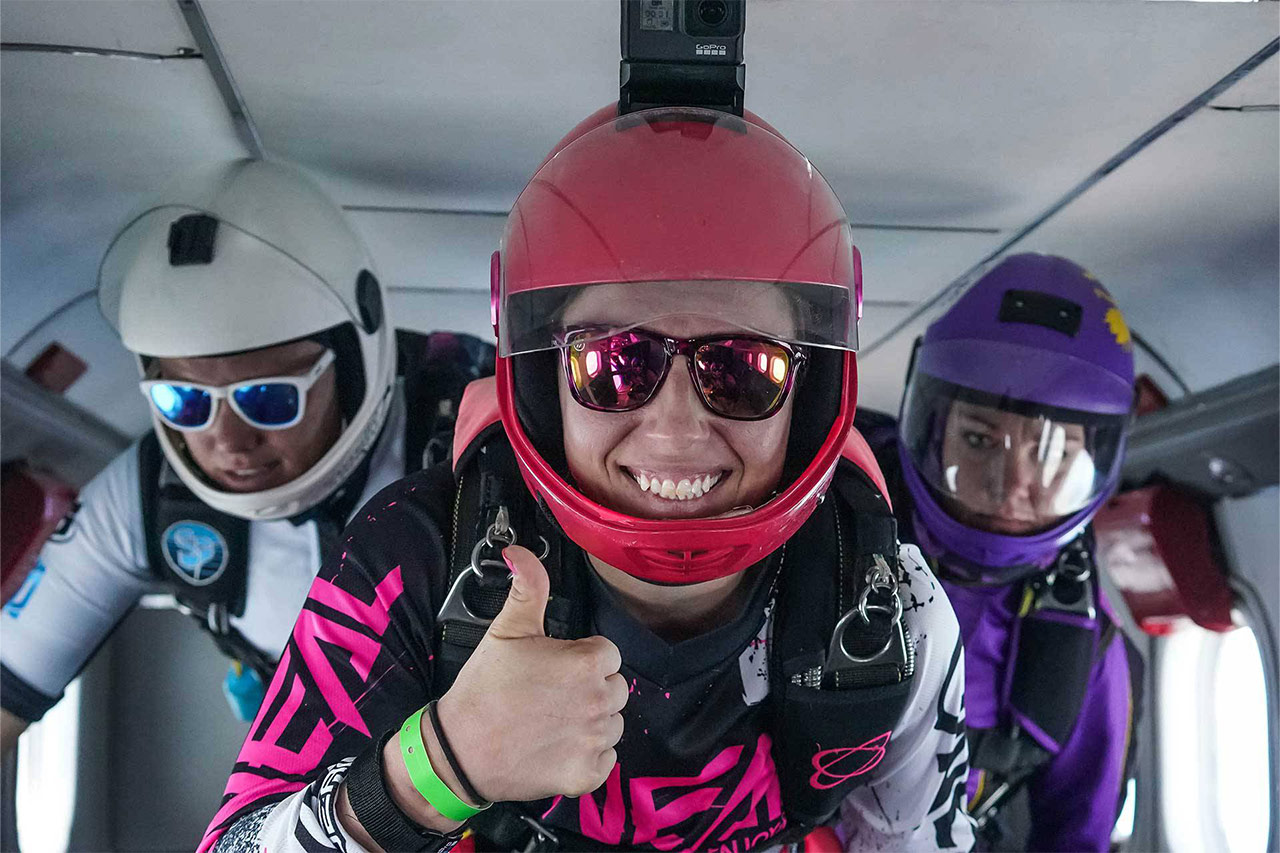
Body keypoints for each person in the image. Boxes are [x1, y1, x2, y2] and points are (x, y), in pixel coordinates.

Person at [200, 105, 975, 853]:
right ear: (546, 384)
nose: (676, 429)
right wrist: (440, 766)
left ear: (806, 398)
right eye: (615, 365)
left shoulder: (892, 611)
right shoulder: (417, 561)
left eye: (743, 370)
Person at [0, 159, 491, 751]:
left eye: (268, 398)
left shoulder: (488, 441)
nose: (228, 441)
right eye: (183, 401)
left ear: (350, 366)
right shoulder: (149, 493)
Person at [857, 253, 1141, 852]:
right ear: (933, 427)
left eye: (1052, 453)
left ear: (1095, 461)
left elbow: (1079, 834)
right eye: (979, 439)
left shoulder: (1086, 644)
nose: (1011, 485)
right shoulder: (827, 523)